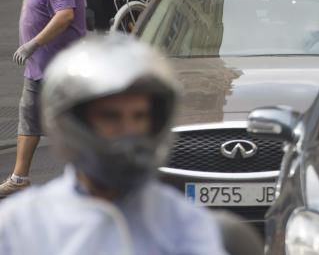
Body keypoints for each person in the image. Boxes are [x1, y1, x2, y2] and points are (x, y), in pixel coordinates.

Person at [0, 35, 227, 254]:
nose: (129, 131)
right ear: (74, 124)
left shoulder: (182, 220)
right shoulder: (22, 223)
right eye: (111, 117)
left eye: (139, 117)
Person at [0, 0, 87, 198]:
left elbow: (65, 16)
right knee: (28, 122)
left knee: (73, 124)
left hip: (58, 69)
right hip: (39, 68)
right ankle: (19, 177)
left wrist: (33, 44)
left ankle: (88, 179)